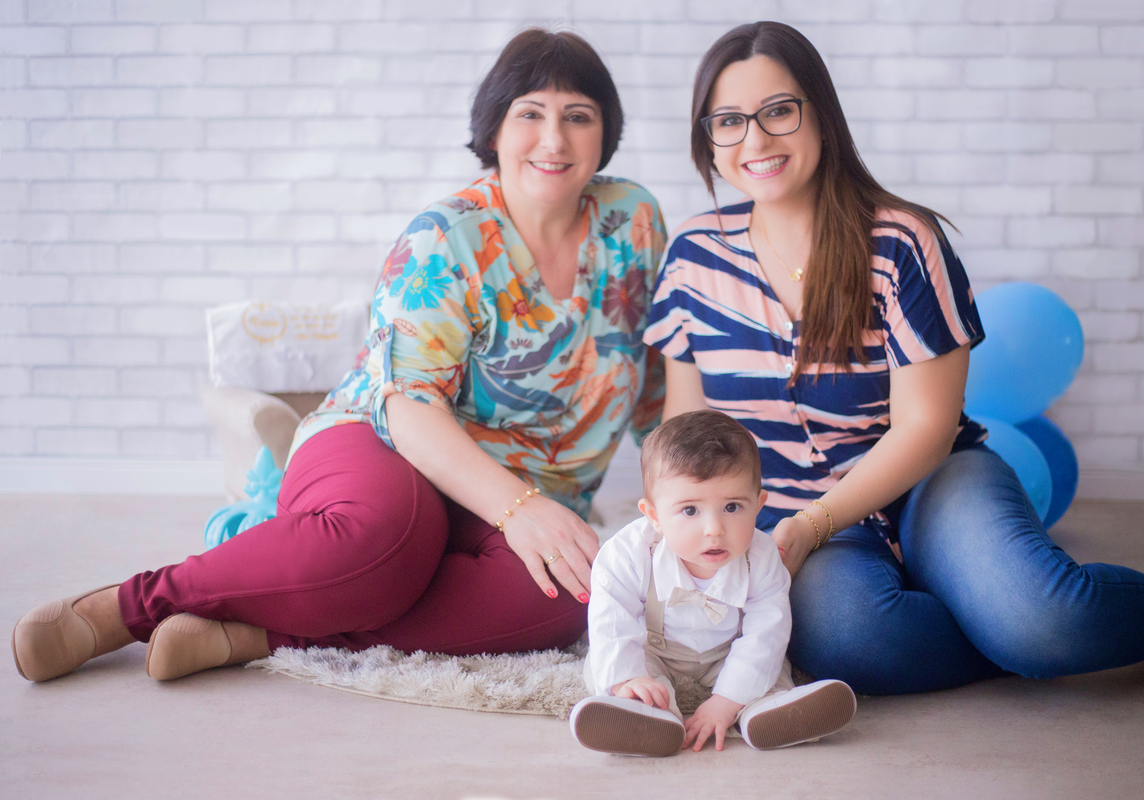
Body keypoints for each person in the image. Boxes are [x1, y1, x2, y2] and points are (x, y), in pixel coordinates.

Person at [12, 29, 668, 684]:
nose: (554, 140)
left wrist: (683, 497)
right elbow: (410, 408)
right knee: (386, 541)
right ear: (493, 129)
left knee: (572, 596)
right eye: (531, 113)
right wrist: (519, 510)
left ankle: (260, 632)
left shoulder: (632, 221)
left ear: (603, 136)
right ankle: (129, 607)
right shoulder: (444, 238)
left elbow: (657, 373)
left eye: (577, 117)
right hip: (383, 441)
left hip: (527, 493)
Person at [645, 21, 1144, 696]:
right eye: (728, 121)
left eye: (778, 112)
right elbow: (685, 423)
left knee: (1044, 618)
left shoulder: (901, 240)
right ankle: (994, 623)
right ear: (708, 138)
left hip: (930, 485)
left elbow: (926, 427)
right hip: (786, 512)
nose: (755, 140)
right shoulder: (692, 257)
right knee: (849, 639)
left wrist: (814, 522)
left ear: (821, 114)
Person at [570, 410, 856, 756]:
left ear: (759, 505)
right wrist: (628, 678)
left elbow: (765, 632)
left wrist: (725, 700)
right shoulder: (627, 553)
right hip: (655, 648)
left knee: (769, 663)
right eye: (690, 510)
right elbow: (612, 621)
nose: (714, 528)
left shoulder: (762, 558)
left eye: (733, 507)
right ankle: (645, 714)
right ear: (654, 516)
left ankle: (766, 712)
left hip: (730, 650)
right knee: (613, 666)